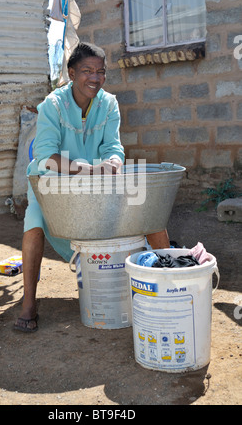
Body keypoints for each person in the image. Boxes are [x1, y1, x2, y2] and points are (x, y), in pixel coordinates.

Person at [14, 42, 169, 333]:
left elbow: (114, 146)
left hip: (97, 183)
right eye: (87, 71)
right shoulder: (53, 105)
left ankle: (171, 281)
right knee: (33, 223)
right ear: (72, 73)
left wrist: (112, 161)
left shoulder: (108, 104)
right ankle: (29, 303)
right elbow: (45, 157)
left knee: (148, 208)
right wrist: (91, 168)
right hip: (52, 183)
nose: (95, 78)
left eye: (101, 72)